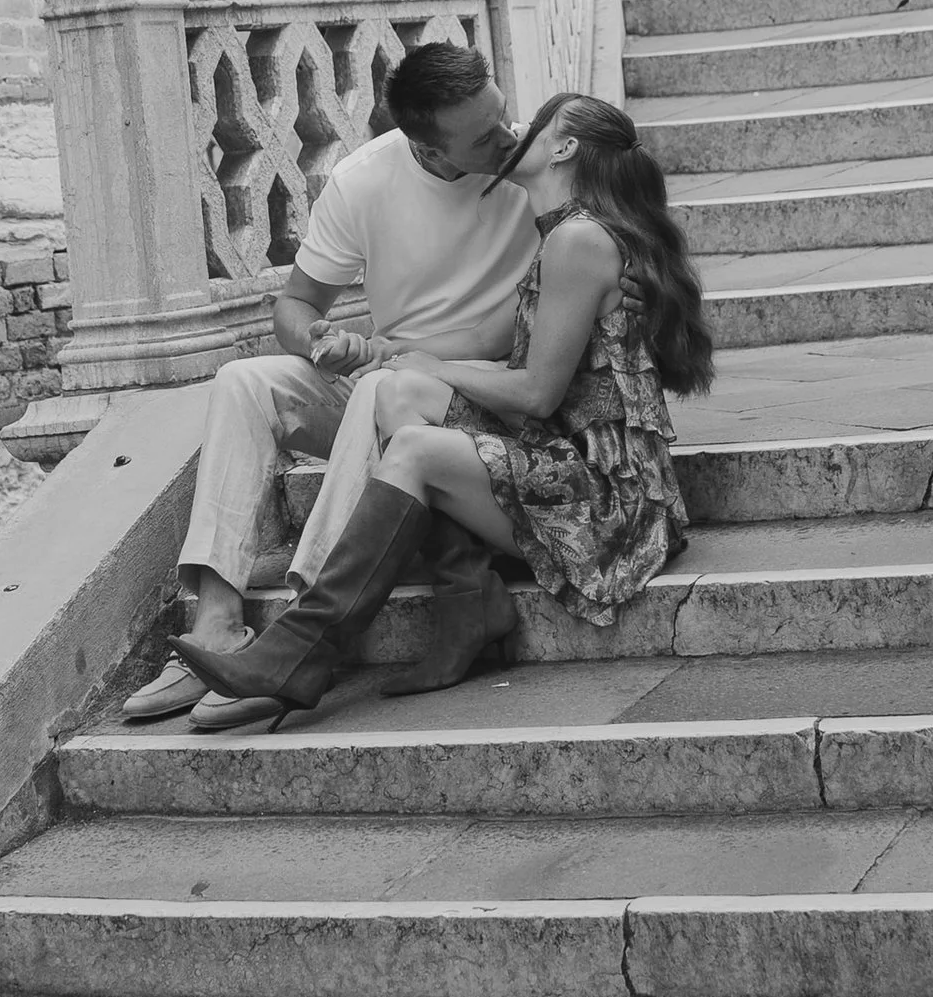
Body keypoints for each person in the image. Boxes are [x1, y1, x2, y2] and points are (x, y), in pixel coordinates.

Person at [177, 93, 714, 727]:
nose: (516, 132)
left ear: (563, 147)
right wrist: (384, 355)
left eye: (533, 125)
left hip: (609, 503)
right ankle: (448, 607)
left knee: (411, 435)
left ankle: (304, 649)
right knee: (398, 398)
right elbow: (485, 340)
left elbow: (537, 393)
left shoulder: (577, 239)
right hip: (562, 463)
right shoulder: (561, 236)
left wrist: (429, 370)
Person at [120, 38, 539, 724]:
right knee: (242, 382)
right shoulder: (365, 179)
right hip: (389, 373)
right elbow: (295, 305)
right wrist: (320, 341)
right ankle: (218, 623)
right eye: (485, 134)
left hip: (477, 390)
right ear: (429, 150)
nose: (507, 136)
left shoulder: (532, 164)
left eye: (502, 115)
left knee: (383, 386)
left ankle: (296, 634)